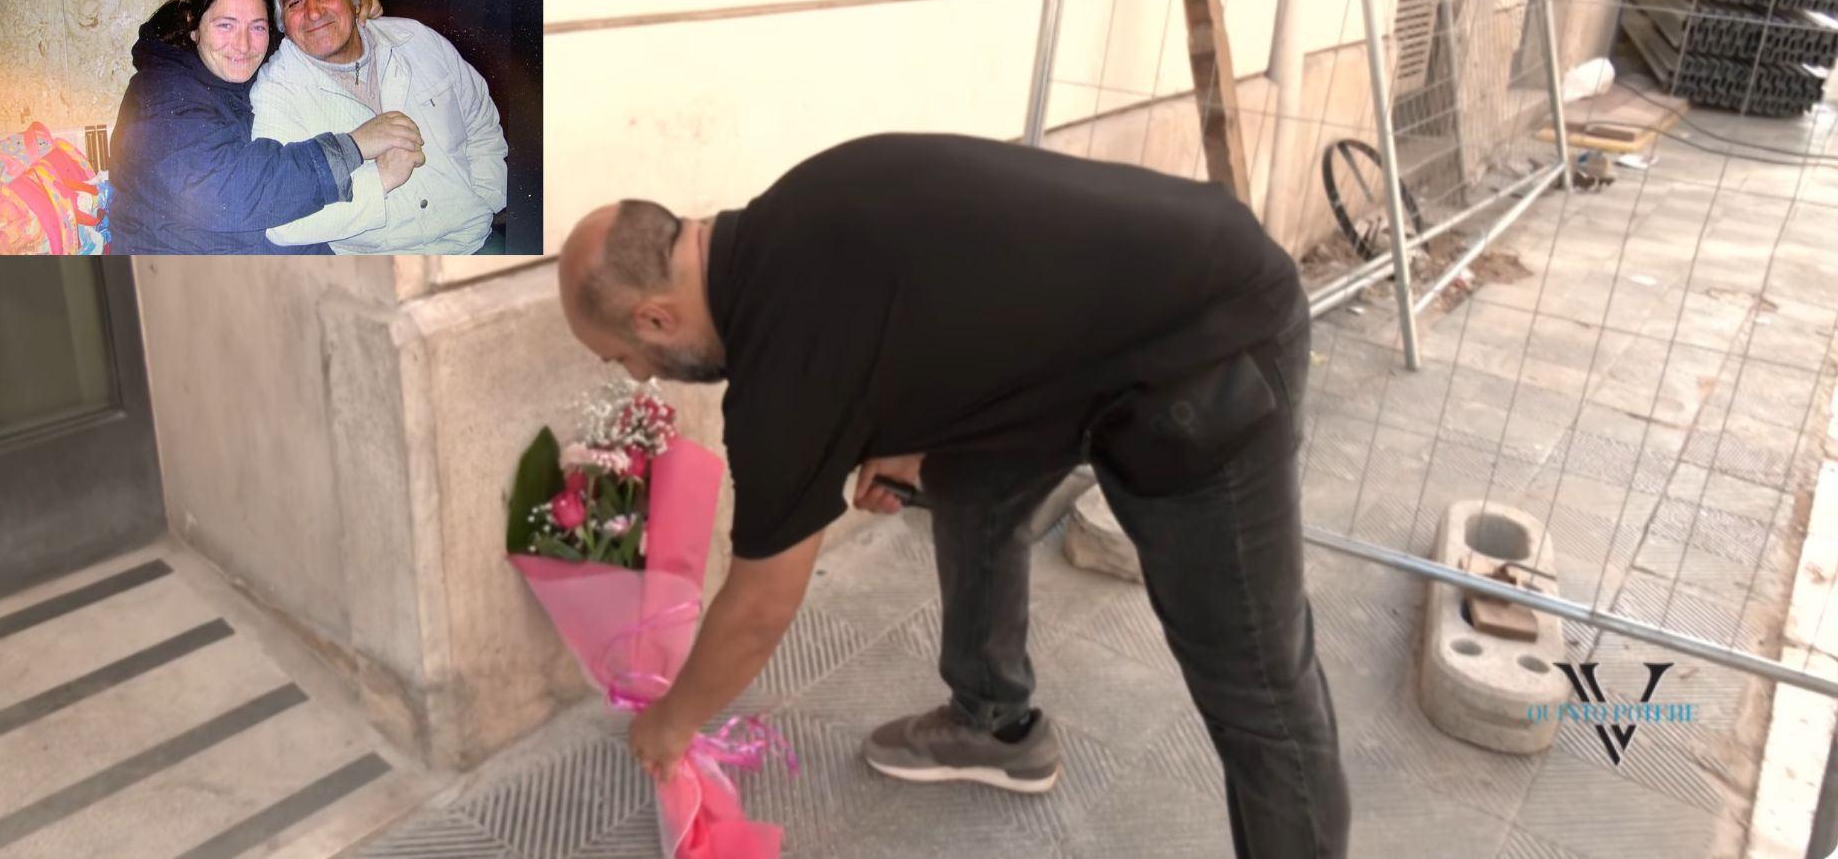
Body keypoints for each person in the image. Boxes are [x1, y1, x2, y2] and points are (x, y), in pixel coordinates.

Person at [556, 133, 1351, 858]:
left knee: (1255, 679)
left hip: (1208, 340)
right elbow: (947, 288)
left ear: (654, 318)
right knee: (971, 485)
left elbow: (760, 608)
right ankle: (995, 723)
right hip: (1118, 322)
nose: (639, 376)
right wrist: (914, 430)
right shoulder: (792, 214)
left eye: (624, 357)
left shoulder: (778, 373)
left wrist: (672, 723)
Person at [107, 0, 426, 255]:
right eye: (226, 25)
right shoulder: (160, 92)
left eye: (257, 27)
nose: (243, 44)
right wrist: (353, 146)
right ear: (193, 25)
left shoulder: (228, 68)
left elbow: (299, 26)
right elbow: (230, 193)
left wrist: (346, 7)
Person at [250, 0, 509, 255]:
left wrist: (487, 198)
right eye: (295, 2)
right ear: (281, 22)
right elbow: (281, 221)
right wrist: (381, 178)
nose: (313, 12)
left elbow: (480, 118)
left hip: (473, 241)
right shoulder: (276, 91)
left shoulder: (416, 39)